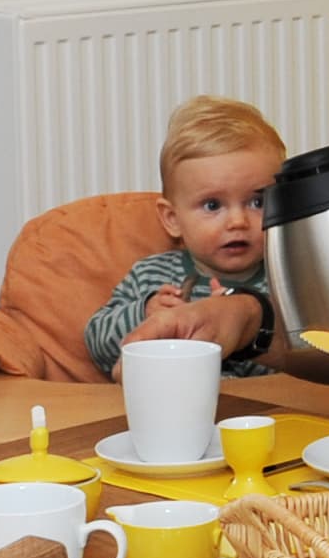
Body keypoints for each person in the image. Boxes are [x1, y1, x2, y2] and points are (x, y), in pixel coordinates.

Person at [84, 93, 285, 380]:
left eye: (257, 202)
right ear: (172, 219)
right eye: (213, 205)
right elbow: (96, 341)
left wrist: (238, 327)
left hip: (259, 417)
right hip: (171, 410)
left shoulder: (285, 283)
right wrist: (144, 311)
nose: (238, 221)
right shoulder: (151, 275)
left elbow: (306, 360)